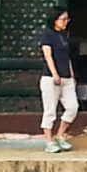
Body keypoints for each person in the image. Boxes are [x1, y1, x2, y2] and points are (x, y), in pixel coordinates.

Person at [37, 9, 77, 154]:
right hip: (51, 78)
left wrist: (71, 73)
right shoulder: (47, 36)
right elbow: (48, 56)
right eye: (63, 19)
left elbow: (66, 57)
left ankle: (60, 135)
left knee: (72, 107)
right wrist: (55, 74)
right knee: (50, 110)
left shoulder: (64, 36)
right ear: (54, 20)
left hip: (67, 77)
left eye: (67, 19)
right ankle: (48, 140)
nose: (66, 22)